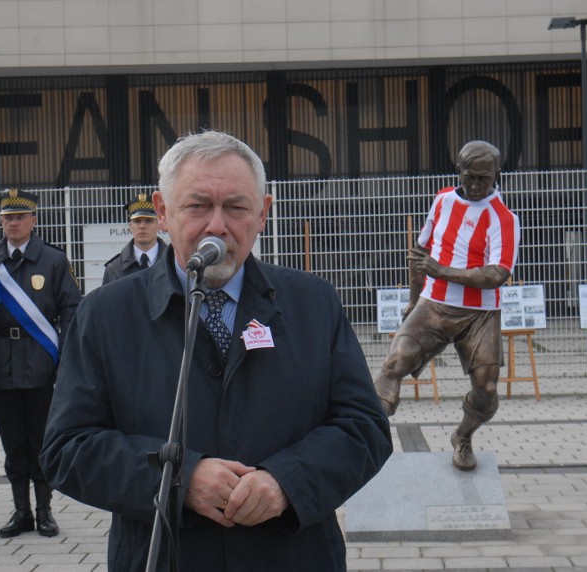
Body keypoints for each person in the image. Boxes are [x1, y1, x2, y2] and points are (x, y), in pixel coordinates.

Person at [40, 131, 392, 571]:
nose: (217, 226)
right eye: (198, 205)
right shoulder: (106, 314)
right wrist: (178, 481)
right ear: (163, 211)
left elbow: (364, 429)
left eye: (236, 207)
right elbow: (67, 449)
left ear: (262, 214)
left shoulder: (313, 303)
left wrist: (287, 481)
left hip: (292, 556)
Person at [374, 140, 520, 471]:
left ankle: (463, 436)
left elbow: (496, 274)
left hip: (480, 314)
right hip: (435, 305)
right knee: (394, 363)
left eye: (484, 178)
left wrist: (442, 271)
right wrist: (414, 300)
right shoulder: (442, 201)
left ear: (497, 175)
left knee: (487, 389)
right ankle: (368, 440)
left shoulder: (504, 218)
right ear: (460, 171)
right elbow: (420, 252)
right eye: (470, 176)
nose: (476, 185)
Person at [0, 189, 82, 538]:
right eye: (8, 217)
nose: (13, 223)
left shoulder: (52, 261)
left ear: (33, 221)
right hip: (0, 361)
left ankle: (44, 510)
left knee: (40, 439)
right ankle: (20, 510)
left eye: (20, 217)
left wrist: (67, 354)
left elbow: (71, 308)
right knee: (13, 442)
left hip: (39, 361)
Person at [102, 193, 168, 285]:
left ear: (158, 225)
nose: (142, 226)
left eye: (148, 221)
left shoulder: (174, 263)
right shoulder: (115, 269)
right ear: (130, 226)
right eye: (137, 221)